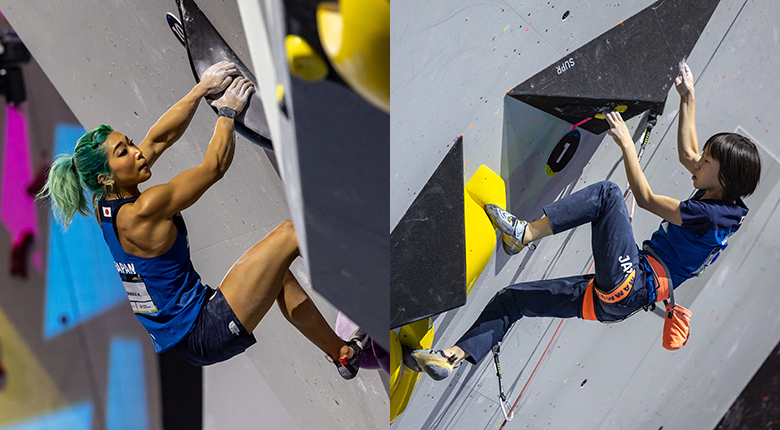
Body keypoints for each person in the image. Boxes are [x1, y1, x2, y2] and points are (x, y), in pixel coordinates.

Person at [412, 64, 761, 380]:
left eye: (707, 160)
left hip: (633, 281)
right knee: (512, 300)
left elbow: (647, 200)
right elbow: (688, 152)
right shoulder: (720, 197)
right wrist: (689, 98)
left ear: (726, 177)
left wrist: (627, 144)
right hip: (616, 300)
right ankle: (451, 358)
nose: (697, 162)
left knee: (609, 194)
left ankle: (524, 235)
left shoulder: (710, 214)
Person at [37, 61, 366, 378]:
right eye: (123, 153)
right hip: (204, 328)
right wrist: (227, 112)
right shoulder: (143, 210)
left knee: (277, 273)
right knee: (290, 234)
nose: (137, 151)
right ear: (106, 177)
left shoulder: (106, 202)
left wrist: (200, 89)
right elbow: (214, 168)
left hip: (192, 328)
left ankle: (342, 354)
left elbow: (158, 139)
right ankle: (375, 284)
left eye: (129, 143)